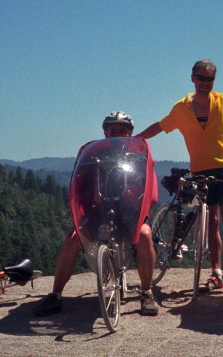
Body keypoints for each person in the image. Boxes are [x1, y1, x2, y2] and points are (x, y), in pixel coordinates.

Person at [135, 60, 223, 295]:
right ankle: (216, 273)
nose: (205, 82)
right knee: (211, 221)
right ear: (192, 78)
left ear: (214, 81)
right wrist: (135, 141)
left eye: (210, 79)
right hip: (200, 169)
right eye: (201, 78)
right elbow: (159, 126)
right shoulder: (181, 108)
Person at [34, 112, 159, 317]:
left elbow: (148, 185)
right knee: (73, 238)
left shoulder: (139, 155)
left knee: (145, 235)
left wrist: (137, 202)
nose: (119, 133)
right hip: (98, 210)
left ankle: (146, 293)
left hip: (129, 212)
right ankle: (55, 295)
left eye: (123, 130)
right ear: (105, 133)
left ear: (130, 133)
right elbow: (80, 184)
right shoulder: (95, 155)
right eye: (113, 130)